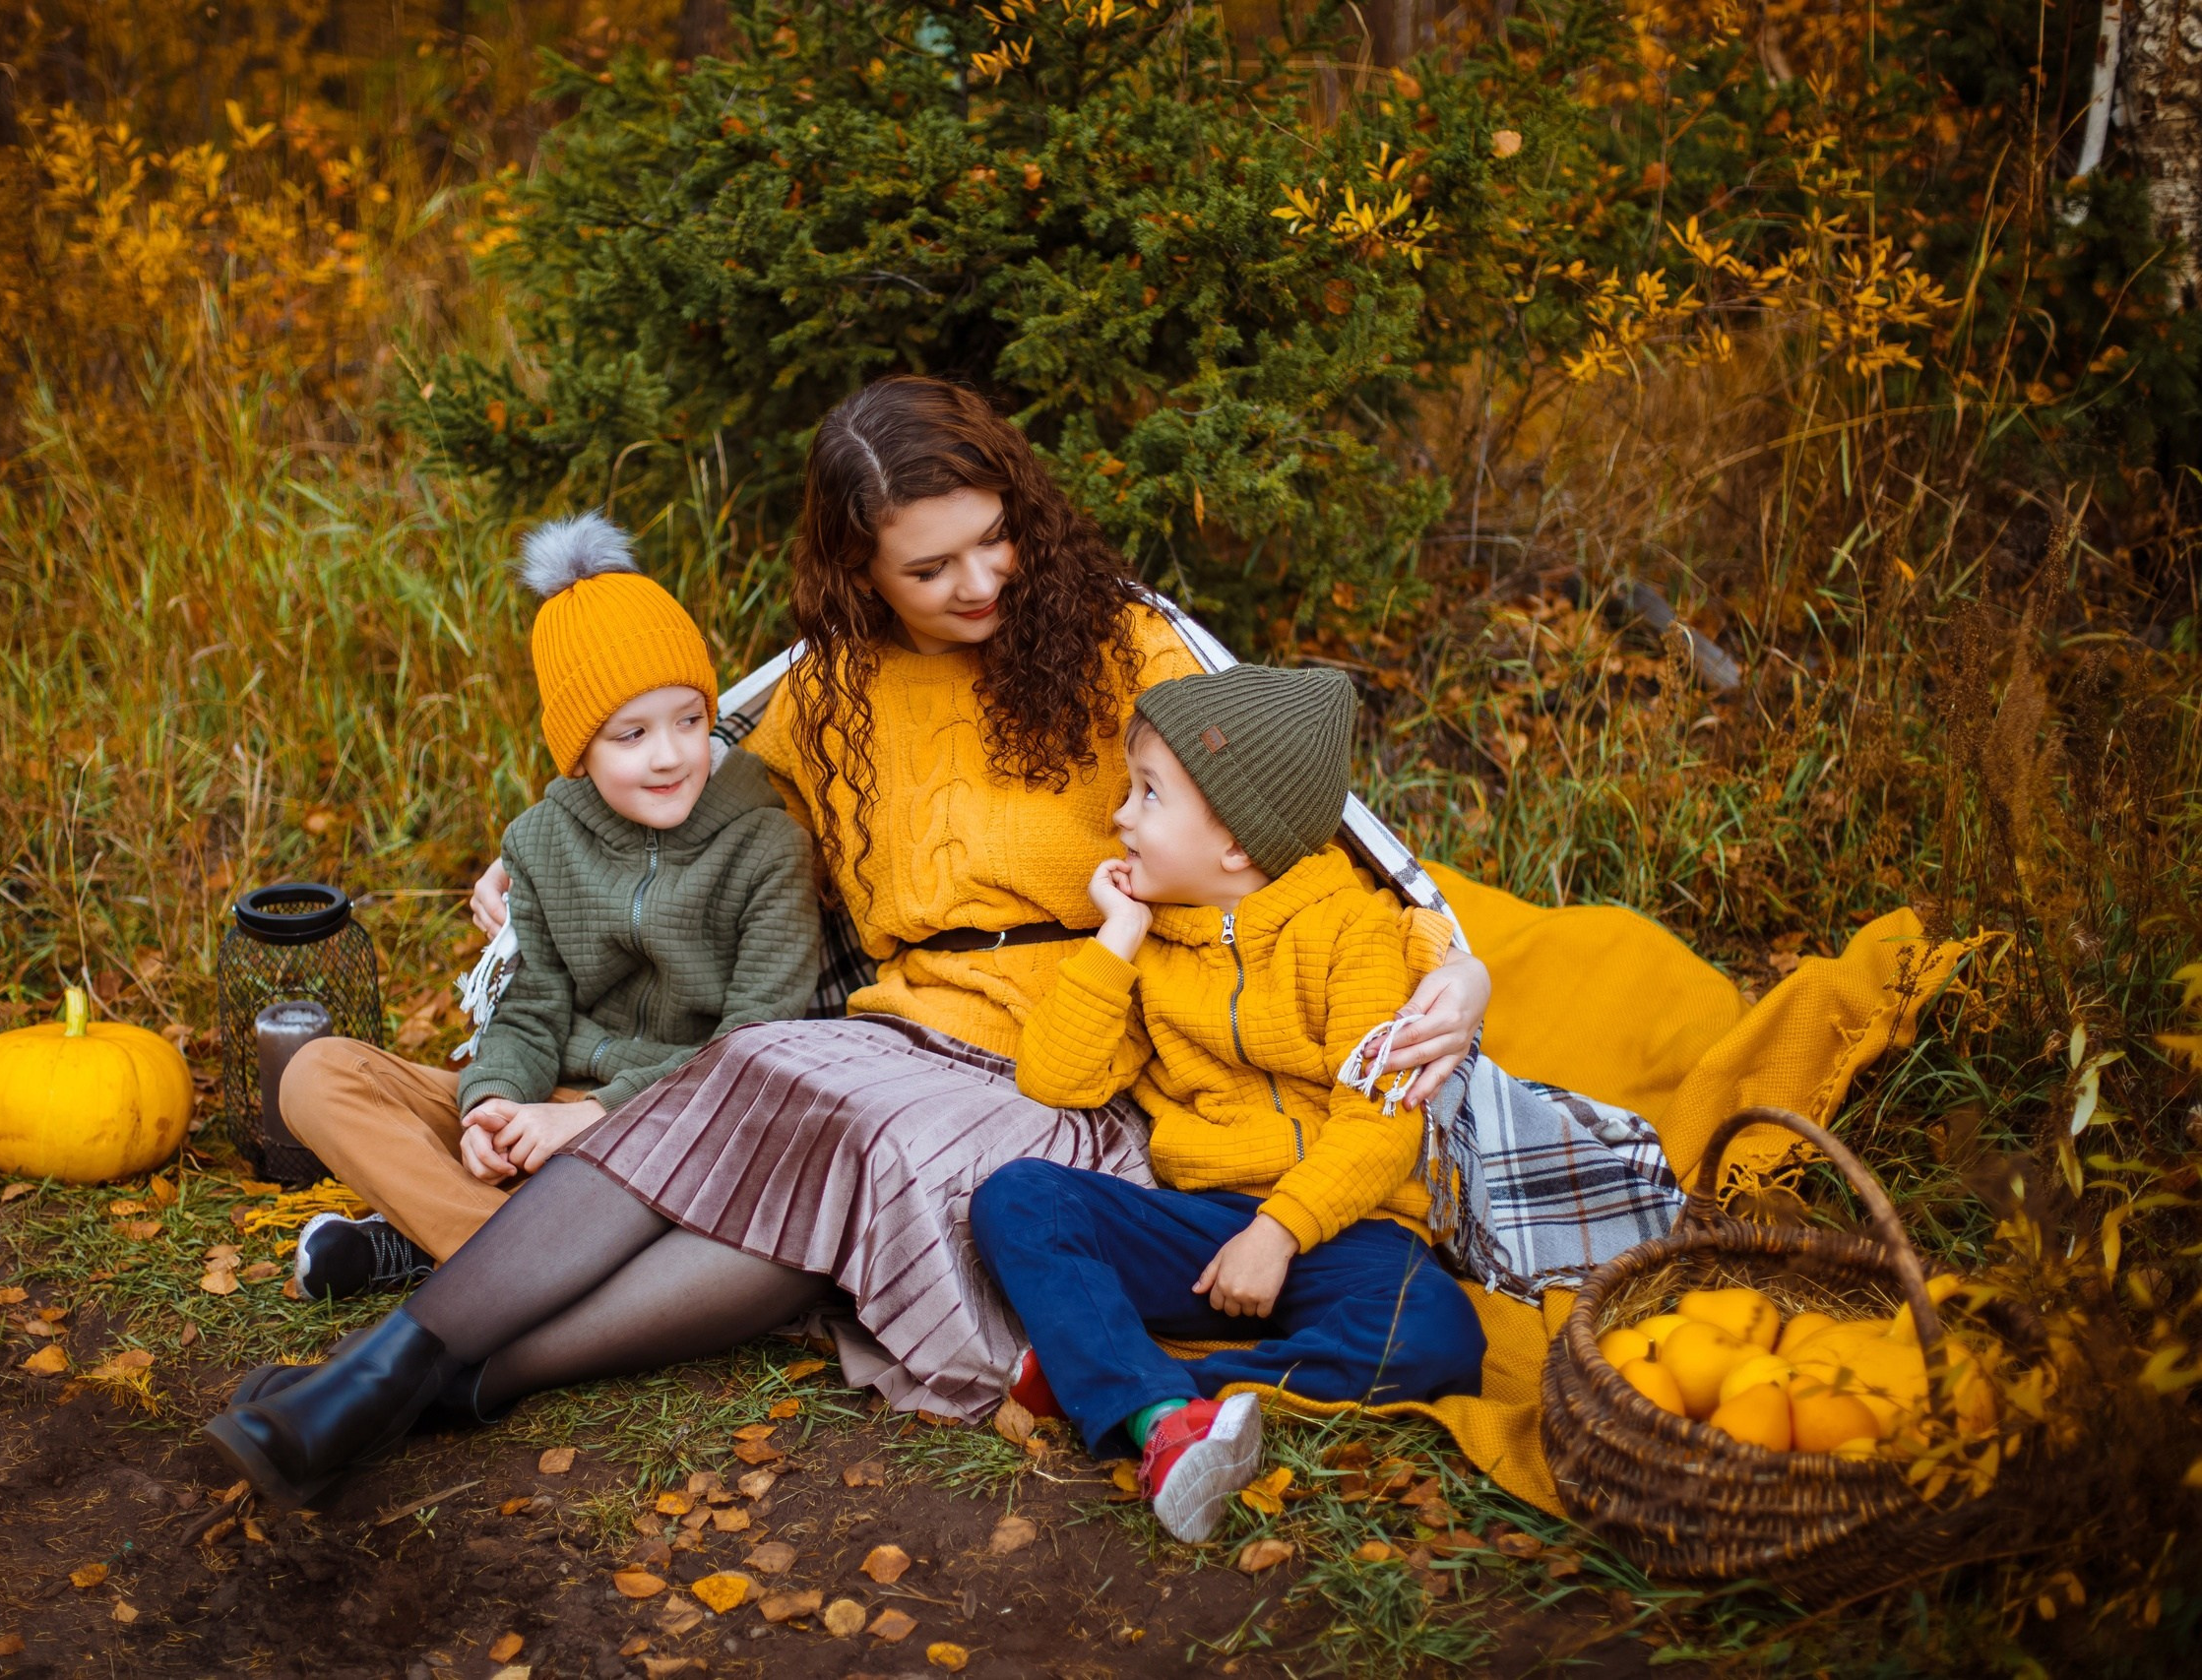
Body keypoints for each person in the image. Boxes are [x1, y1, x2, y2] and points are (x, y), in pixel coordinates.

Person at [200, 377, 1491, 1509]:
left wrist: (1467, 966)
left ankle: (422, 1377)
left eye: (992, 543)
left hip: (1066, 1068)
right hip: (891, 1030)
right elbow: (679, 802)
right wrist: (536, 845)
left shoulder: (1123, 639)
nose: (980, 583)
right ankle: (403, 1372)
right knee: (789, 1096)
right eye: (930, 569)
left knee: (829, 1122)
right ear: (858, 572)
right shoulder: (829, 688)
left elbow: (1327, 834)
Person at [970, 664, 1487, 1541]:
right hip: (1202, 1228)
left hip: (1341, 1232)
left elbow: (1382, 1119)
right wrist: (1118, 936)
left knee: (1436, 1333)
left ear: (1236, 844)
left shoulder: (1353, 935)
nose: (1120, 816)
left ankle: (1159, 1394)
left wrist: (1278, 1232)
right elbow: (1055, 1079)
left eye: (1147, 795)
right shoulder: (1156, 944)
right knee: (1018, 1198)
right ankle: (1154, 1403)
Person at [270, 513, 820, 1299]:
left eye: (689, 720)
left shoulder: (766, 846)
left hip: (674, 1121)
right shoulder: (542, 840)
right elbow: (529, 1013)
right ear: (579, 748)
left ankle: (461, 1253)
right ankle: (513, 1256)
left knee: (698, 1147)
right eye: (629, 734)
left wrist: (589, 1116)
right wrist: (493, 1104)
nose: (669, 754)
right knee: (318, 1073)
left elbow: (756, 1051)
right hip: (549, 1108)